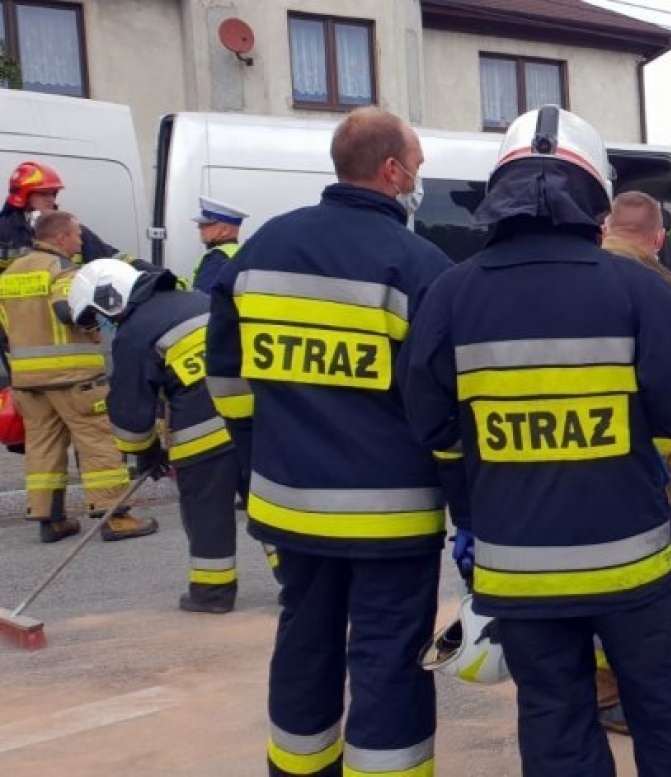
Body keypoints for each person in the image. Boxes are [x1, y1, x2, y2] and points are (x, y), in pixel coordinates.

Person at [402, 105, 671, 777]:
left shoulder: (450, 295)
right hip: (632, 565)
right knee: (665, 707)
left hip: (517, 567)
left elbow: (434, 428)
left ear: (501, 195)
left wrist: (471, 511)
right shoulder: (638, 288)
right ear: (593, 198)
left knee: (554, 719)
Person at [206, 106, 449, 776]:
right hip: (393, 517)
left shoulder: (260, 250)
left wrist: (261, 460)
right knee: (389, 657)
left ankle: (298, 768)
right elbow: (437, 403)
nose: (418, 179)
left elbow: (226, 379)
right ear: (392, 170)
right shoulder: (416, 264)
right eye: (418, 167)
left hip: (289, 505)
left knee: (303, 642)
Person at [67, 258, 261, 613]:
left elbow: (129, 411)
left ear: (111, 298)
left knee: (207, 513)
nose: (105, 325)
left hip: (202, 437)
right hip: (255, 422)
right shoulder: (197, 300)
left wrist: (145, 451)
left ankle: (212, 593)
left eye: (101, 314)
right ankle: (299, 584)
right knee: (267, 507)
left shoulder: (134, 333)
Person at [595, 189, 671, 736]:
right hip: (636, 473)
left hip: (571, 462)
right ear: (660, 238)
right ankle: (614, 689)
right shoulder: (654, 289)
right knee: (634, 581)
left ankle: (627, 673)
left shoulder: (580, 273)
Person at [0, 211, 157, 544]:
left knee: (42, 446)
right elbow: (67, 310)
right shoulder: (64, 271)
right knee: (98, 442)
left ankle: (50, 519)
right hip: (73, 378)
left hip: (28, 381)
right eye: (76, 236)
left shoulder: (10, 274)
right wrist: (93, 320)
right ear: (60, 238)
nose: (81, 241)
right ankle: (114, 517)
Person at [0, 162, 123, 267]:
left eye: (53, 194)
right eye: (43, 194)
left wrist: (140, 271)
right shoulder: (4, 231)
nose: (51, 199)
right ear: (23, 196)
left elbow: (110, 258)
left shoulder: (71, 228)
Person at [190, 196, 249, 295]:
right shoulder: (240, 252)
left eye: (206, 224)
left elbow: (202, 299)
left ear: (225, 231)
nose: (199, 227)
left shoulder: (217, 257)